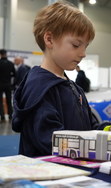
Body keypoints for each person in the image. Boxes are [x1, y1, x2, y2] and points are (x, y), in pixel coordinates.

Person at [12, 1, 100, 157]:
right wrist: (93, 147)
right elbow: (51, 140)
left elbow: (91, 126)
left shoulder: (73, 87)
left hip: (76, 170)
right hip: (48, 174)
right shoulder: (39, 88)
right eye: (76, 45)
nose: (83, 53)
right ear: (49, 39)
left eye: (85, 46)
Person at [0, 49, 15, 121]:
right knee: (9, 100)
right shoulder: (10, 63)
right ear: (6, 54)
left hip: (0, 85)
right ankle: (10, 116)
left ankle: (2, 116)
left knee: (0, 101)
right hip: (8, 85)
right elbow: (15, 74)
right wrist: (12, 84)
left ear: (0, 54)